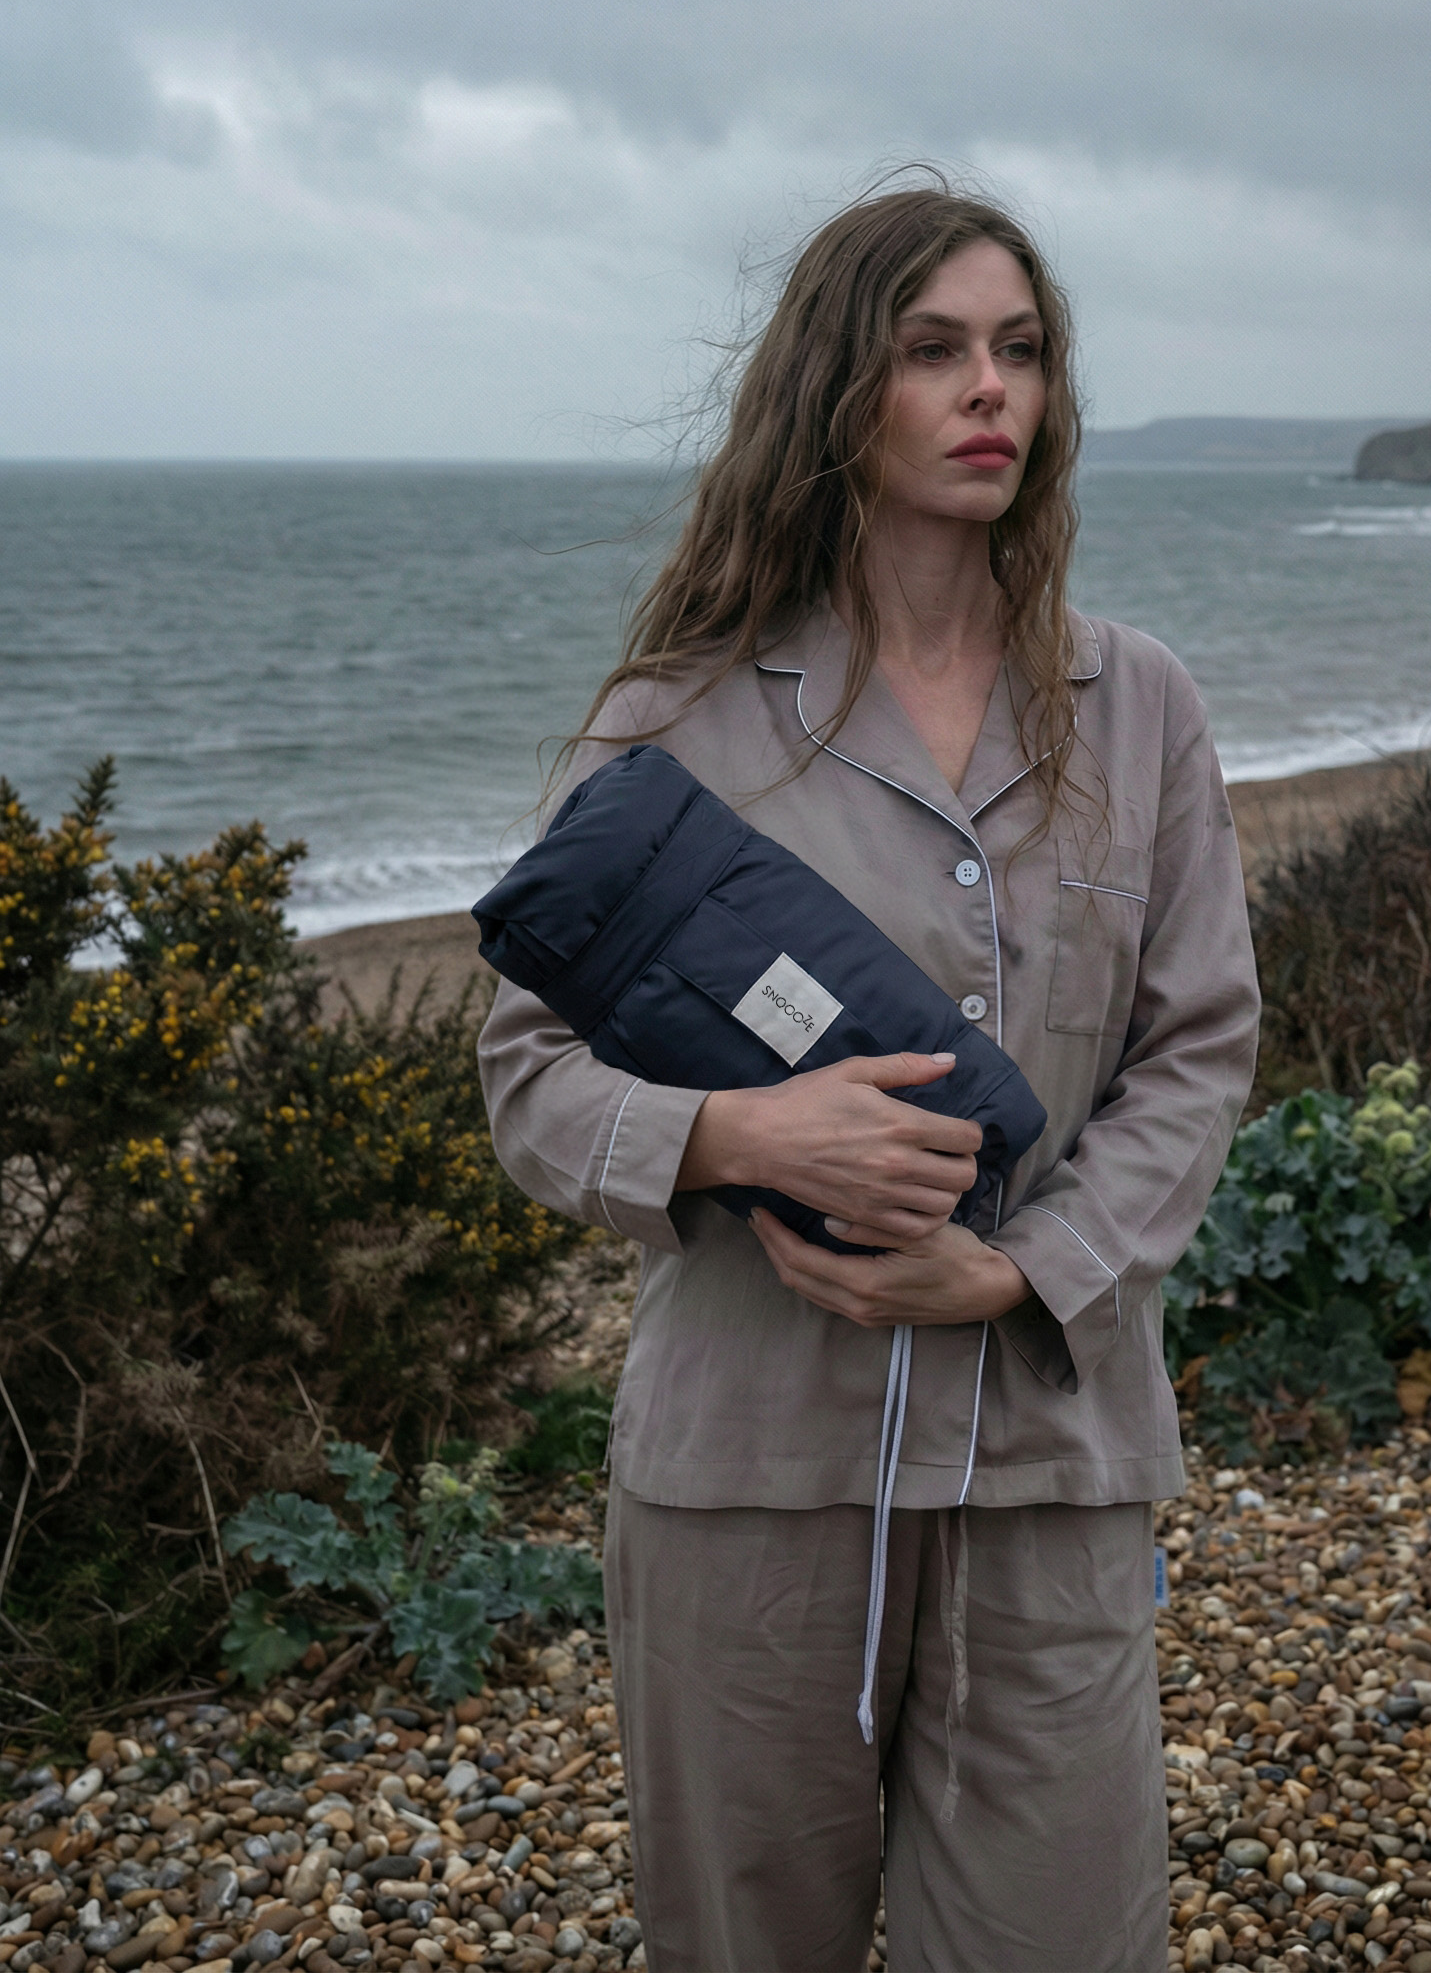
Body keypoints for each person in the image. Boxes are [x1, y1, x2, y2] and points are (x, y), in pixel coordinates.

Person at [478, 181, 1260, 1973]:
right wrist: (735, 1131)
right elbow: (523, 1073)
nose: (990, 389)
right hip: (745, 1483)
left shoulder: (1139, 706)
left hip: (1054, 1471)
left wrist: (1023, 1265)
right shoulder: (678, 718)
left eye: (1021, 351)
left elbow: (1199, 1050)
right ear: (842, 388)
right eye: (934, 351)